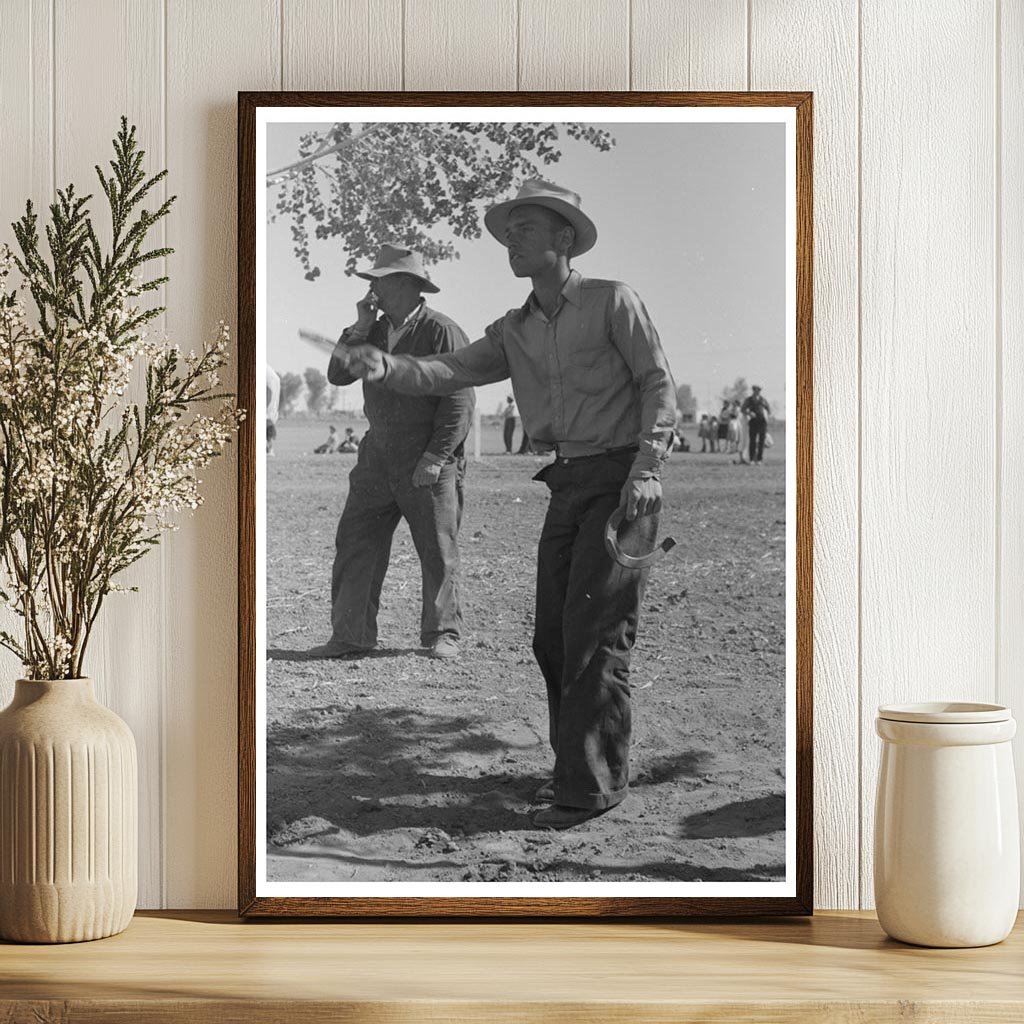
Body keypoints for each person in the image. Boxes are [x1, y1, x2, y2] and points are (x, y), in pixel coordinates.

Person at [336, 180, 677, 830]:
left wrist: (648, 466)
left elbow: (657, 382)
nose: (511, 241)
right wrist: (384, 367)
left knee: (595, 639)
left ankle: (590, 789)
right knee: (553, 639)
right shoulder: (514, 328)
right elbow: (449, 370)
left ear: (563, 239)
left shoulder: (612, 302)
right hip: (568, 482)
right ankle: (576, 773)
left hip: (624, 482)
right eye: (509, 231)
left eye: (525, 229)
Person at [310, 244, 475, 661]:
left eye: (378, 280)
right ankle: (351, 635)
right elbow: (337, 374)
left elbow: (459, 402)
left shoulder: (442, 331)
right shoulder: (375, 330)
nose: (373, 288)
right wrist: (360, 326)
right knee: (356, 542)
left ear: (405, 284)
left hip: (427, 454)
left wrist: (436, 457)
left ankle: (444, 634)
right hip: (377, 453)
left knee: (437, 548)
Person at [741, 384, 772, 465]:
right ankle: (751, 459)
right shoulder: (749, 400)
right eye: (755, 390)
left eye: (758, 390)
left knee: (761, 441)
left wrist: (766, 415)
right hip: (753, 421)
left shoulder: (763, 400)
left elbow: (769, 410)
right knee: (752, 441)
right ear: (753, 390)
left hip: (762, 422)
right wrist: (749, 412)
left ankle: (759, 459)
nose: (757, 391)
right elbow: (742, 409)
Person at [266, 364, 280, 456]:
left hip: (268, 419)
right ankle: (269, 450)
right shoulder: (271, 374)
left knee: (268, 438)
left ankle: (268, 450)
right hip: (269, 418)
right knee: (269, 438)